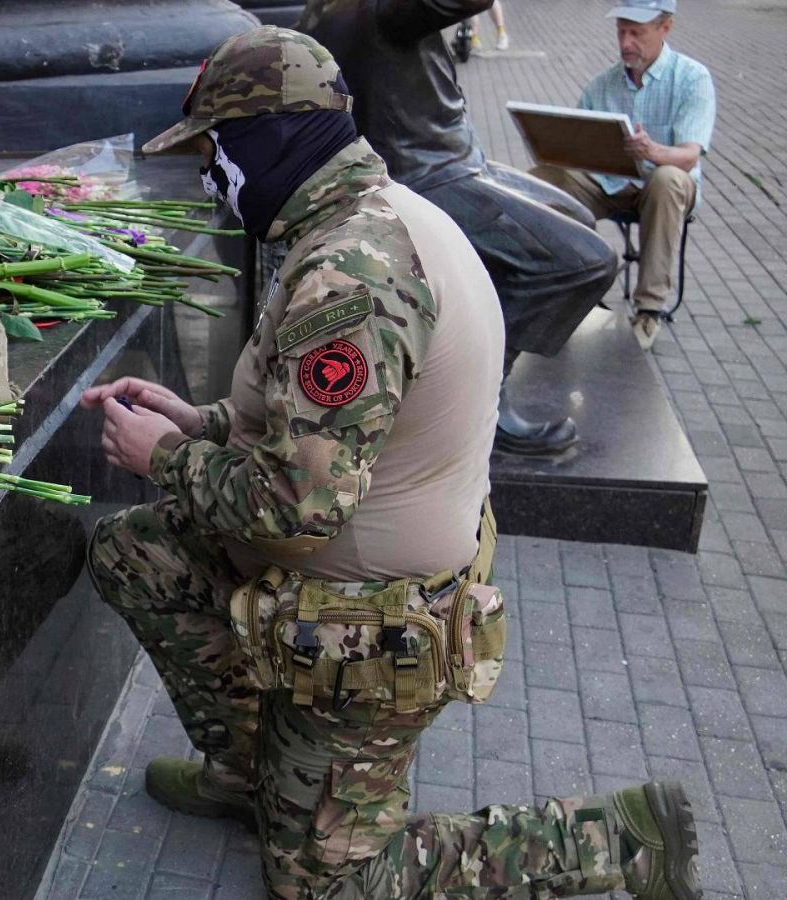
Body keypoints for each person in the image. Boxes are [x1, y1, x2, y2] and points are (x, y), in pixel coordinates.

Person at [95, 27, 700, 898]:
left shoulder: (354, 274)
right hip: (331, 584)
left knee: (327, 884)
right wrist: (200, 420)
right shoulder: (352, 220)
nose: (208, 174)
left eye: (214, 150)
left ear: (267, 141)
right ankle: (255, 778)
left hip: (370, 627)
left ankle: (618, 842)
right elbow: (312, 417)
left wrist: (166, 457)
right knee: (137, 552)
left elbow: (296, 510)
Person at [299, 0, 619, 456]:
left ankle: (491, 327)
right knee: (583, 262)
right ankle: (483, 399)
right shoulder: (381, 9)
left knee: (579, 219)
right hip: (429, 174)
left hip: (453, 160)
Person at [530, 0, 713, 351]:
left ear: (665, 28)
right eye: (621, 32)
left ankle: (649, 308)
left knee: (668, 179)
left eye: (636, 33)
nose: (626, 42)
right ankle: (567, 288)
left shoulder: (692, 78)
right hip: (609, 181)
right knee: (544, 178)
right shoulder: (603, 84)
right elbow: (578, 139)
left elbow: (690, 155)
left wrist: (654, 152)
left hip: (663, 185)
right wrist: (554, 143)